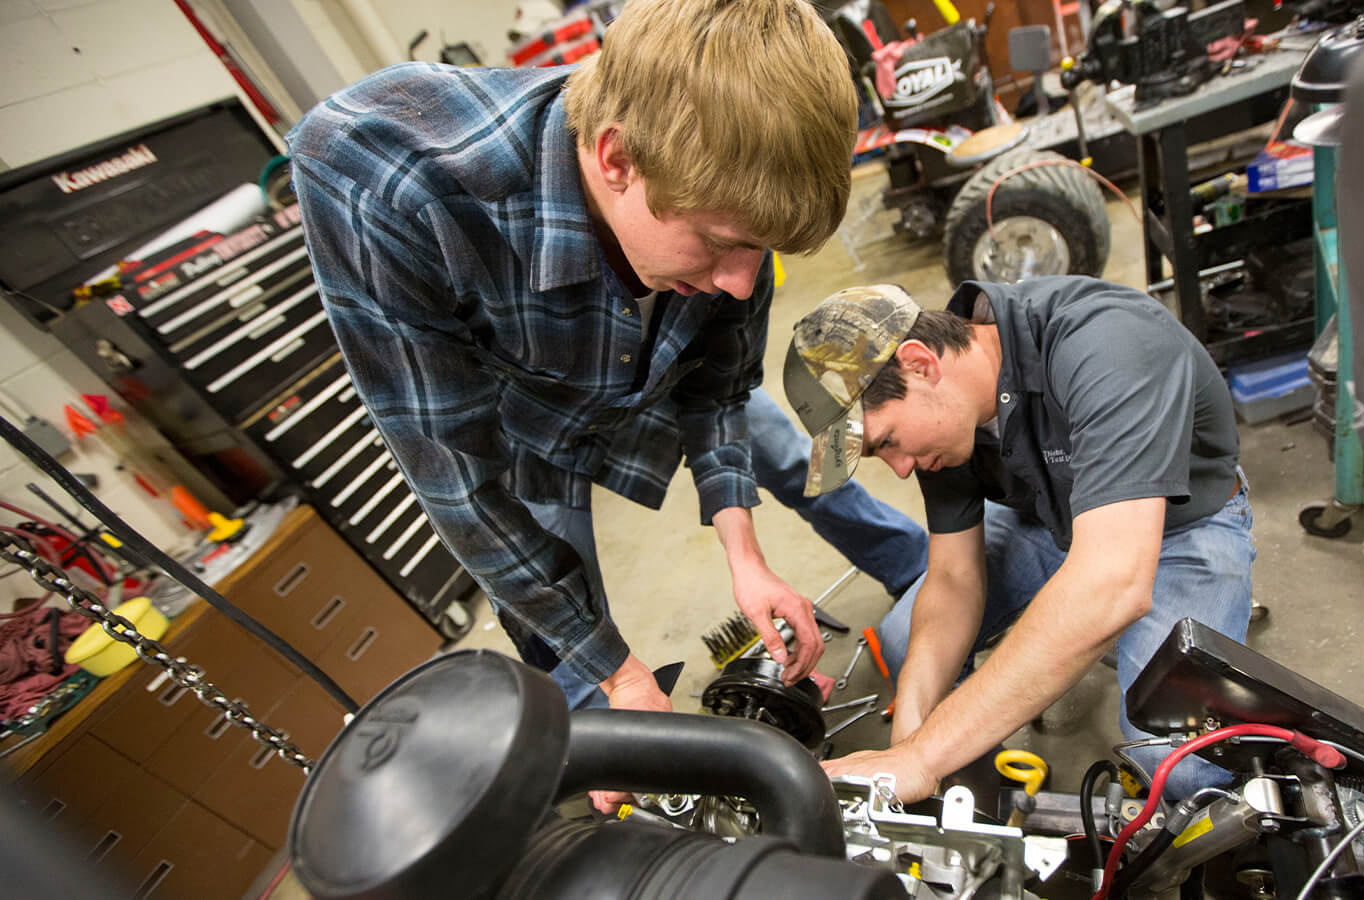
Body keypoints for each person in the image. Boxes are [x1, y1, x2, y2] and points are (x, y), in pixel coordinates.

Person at [286, 0, 925, 731]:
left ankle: (922, 571)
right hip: (531, 422)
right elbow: (461, 483)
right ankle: (608, 753)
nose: (744, 284)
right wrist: (620, 672)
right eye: (720, 242)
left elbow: (719, 390)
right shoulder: (382, 177)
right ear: (617, 160)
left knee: (781, 446)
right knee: (563, 636)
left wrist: (747, 560)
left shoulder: (722, 188)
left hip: (660, 367)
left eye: (762, 249)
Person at [783, 278, 1255, 803]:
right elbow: (953, 578)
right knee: (902, 643)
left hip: (1179, 529)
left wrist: (923, 757)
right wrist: (910, 747)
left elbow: (1112, 583)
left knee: (1179, 770)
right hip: (1048, 518)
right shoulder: (946, 415)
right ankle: (976, 794)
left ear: (920, 365)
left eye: (887, 442)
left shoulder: (1106, 343)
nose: (899, 469)